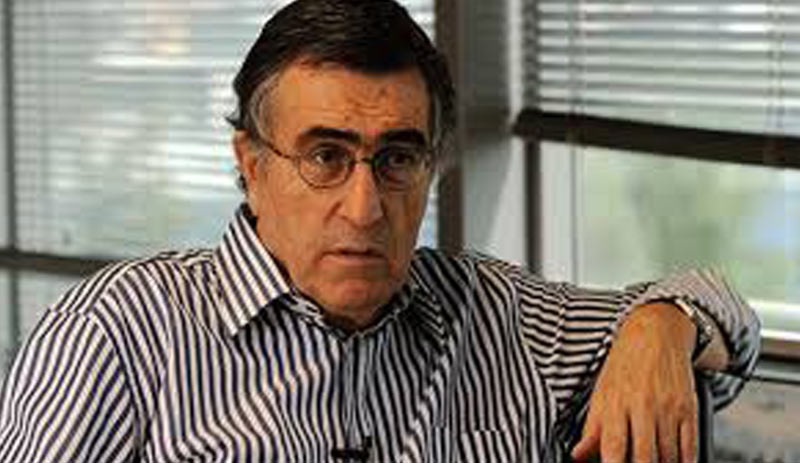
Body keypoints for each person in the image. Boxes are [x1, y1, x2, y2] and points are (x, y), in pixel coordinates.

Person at [0, 0, 759, 462]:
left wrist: (661, 325)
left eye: (397, 159)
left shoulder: (501, 316)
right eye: (325, 157)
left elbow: (730, 323)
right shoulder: (114, 336)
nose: (364, 208)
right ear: (251, 164)